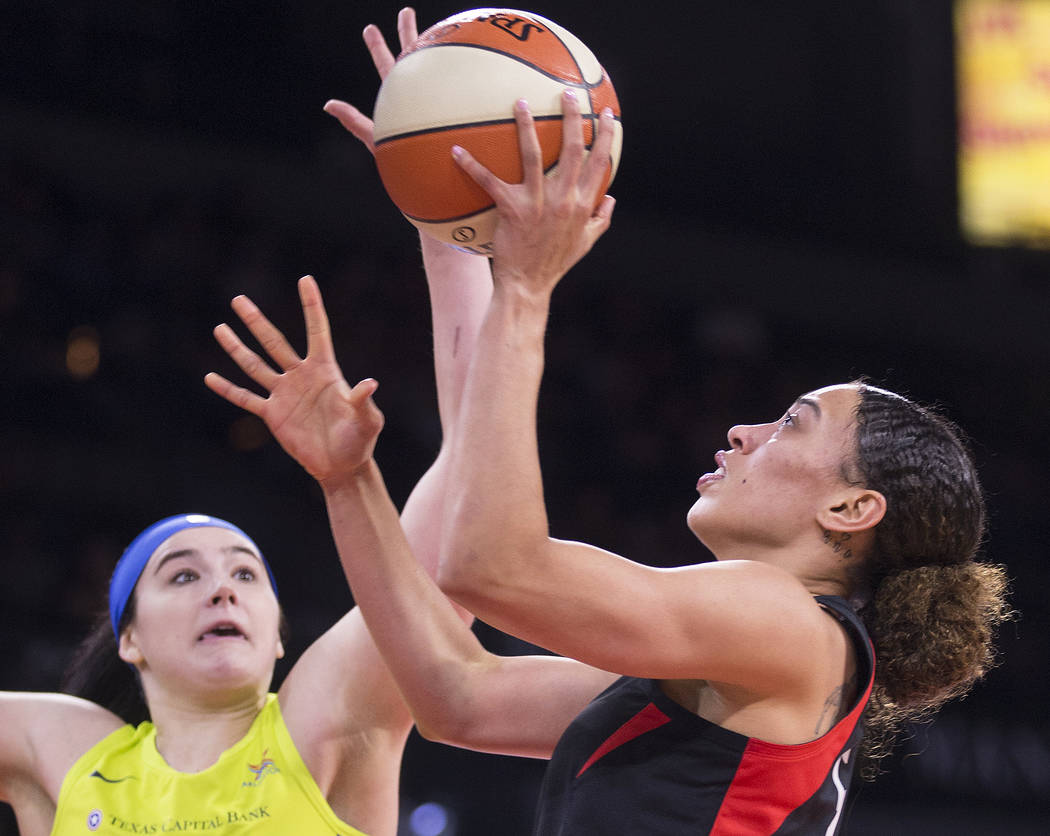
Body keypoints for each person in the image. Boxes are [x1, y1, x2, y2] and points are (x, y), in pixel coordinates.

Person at [207, 9, 1012, 835]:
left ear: (851, 509)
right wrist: (444, 221)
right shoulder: (730, 670)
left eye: (792, 425)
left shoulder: (788, 626)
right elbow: (456, 697)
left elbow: (493, 568)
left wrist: (525, 288)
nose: (744, 432)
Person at [0, 13, 493, 835]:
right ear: (130, 642)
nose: (222, 586)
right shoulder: (64, 748)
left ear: (277, 639)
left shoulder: (320, 718)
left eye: (244, 574)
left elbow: (476, 487)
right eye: (182, 576)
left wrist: (443, 223)